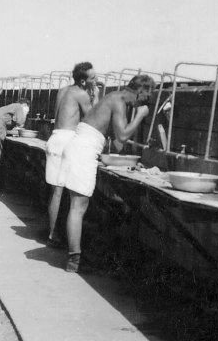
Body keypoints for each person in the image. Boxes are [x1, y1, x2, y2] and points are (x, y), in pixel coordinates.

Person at [60, 74, 154, 273]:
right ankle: (73, 262)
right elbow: (122, 135)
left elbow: (118, 142)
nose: (145, 101)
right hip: (83, 152)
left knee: (78, 206)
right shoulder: (119, 101)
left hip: (79, 149)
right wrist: (140, 115)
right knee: (78, 207)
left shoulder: (114, 98)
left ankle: (75, 256)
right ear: (139, 91)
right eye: (145, 97)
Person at [45, 61, 96, 247]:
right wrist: (95, 98)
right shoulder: (82, 94)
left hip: (54, 138)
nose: (95, 80)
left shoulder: (62, 90)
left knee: (56, 192)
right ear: (83, 82)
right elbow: (93, 120)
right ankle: (63, 238)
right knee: (72, 195)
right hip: (67, 141)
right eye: (93, 78)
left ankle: (53, 234)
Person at [0, 99, 29, 190]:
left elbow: (8, 122)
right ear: (24, 105)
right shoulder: (19, 107)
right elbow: (20, 122)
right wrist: (24, 113)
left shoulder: (7, 107)